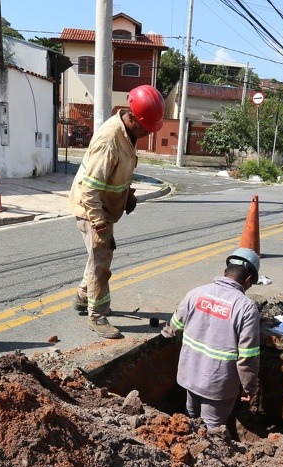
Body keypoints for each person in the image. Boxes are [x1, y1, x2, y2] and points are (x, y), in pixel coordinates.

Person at [68, 84, 164, 339]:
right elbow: (90, 189)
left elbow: (117, 172)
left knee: (96, 257)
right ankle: (97, 316)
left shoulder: (129, 133)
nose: (147, 134)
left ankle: (81, 297)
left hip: (107, 206)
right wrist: (100, 226)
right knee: (101, 261)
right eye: (145, 128)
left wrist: (127, 194)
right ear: (132, 117)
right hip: (92, 208)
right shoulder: (109, 140)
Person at [161, 248, 262, 432]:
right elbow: (247, 356)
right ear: (248, 280)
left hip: (190, 375)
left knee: (189, 419)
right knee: (213, 429)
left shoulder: (196, 293)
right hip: (217, 384)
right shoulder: (246, 308)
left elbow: (173, 326)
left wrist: (166, 331)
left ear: (225, 271)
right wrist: (250, 387)